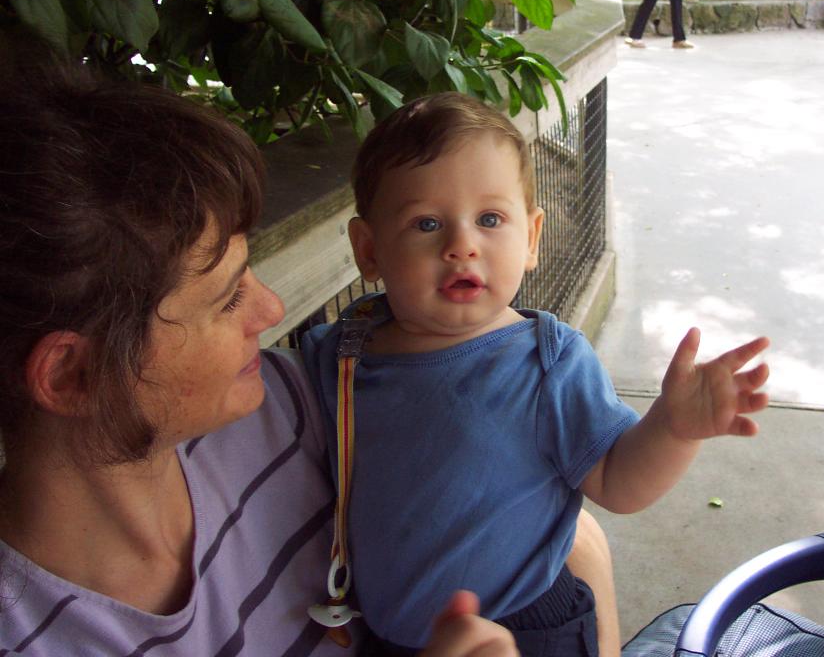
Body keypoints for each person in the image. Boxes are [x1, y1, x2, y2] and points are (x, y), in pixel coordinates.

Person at [0, 51, 617, 656]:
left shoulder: (303, 401)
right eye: (227, 299)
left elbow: (566, 532)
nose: (272, 311)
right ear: (74, 374)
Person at [302, 93, 771, 656]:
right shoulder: (342, 352)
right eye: (426, 223)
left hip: (527, 628)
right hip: (387, 636)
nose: (462, 246)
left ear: (530, 237)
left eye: (490, 219)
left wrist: (672, 429)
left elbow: (618, 482)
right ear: (369, 249)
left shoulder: (548, 363)